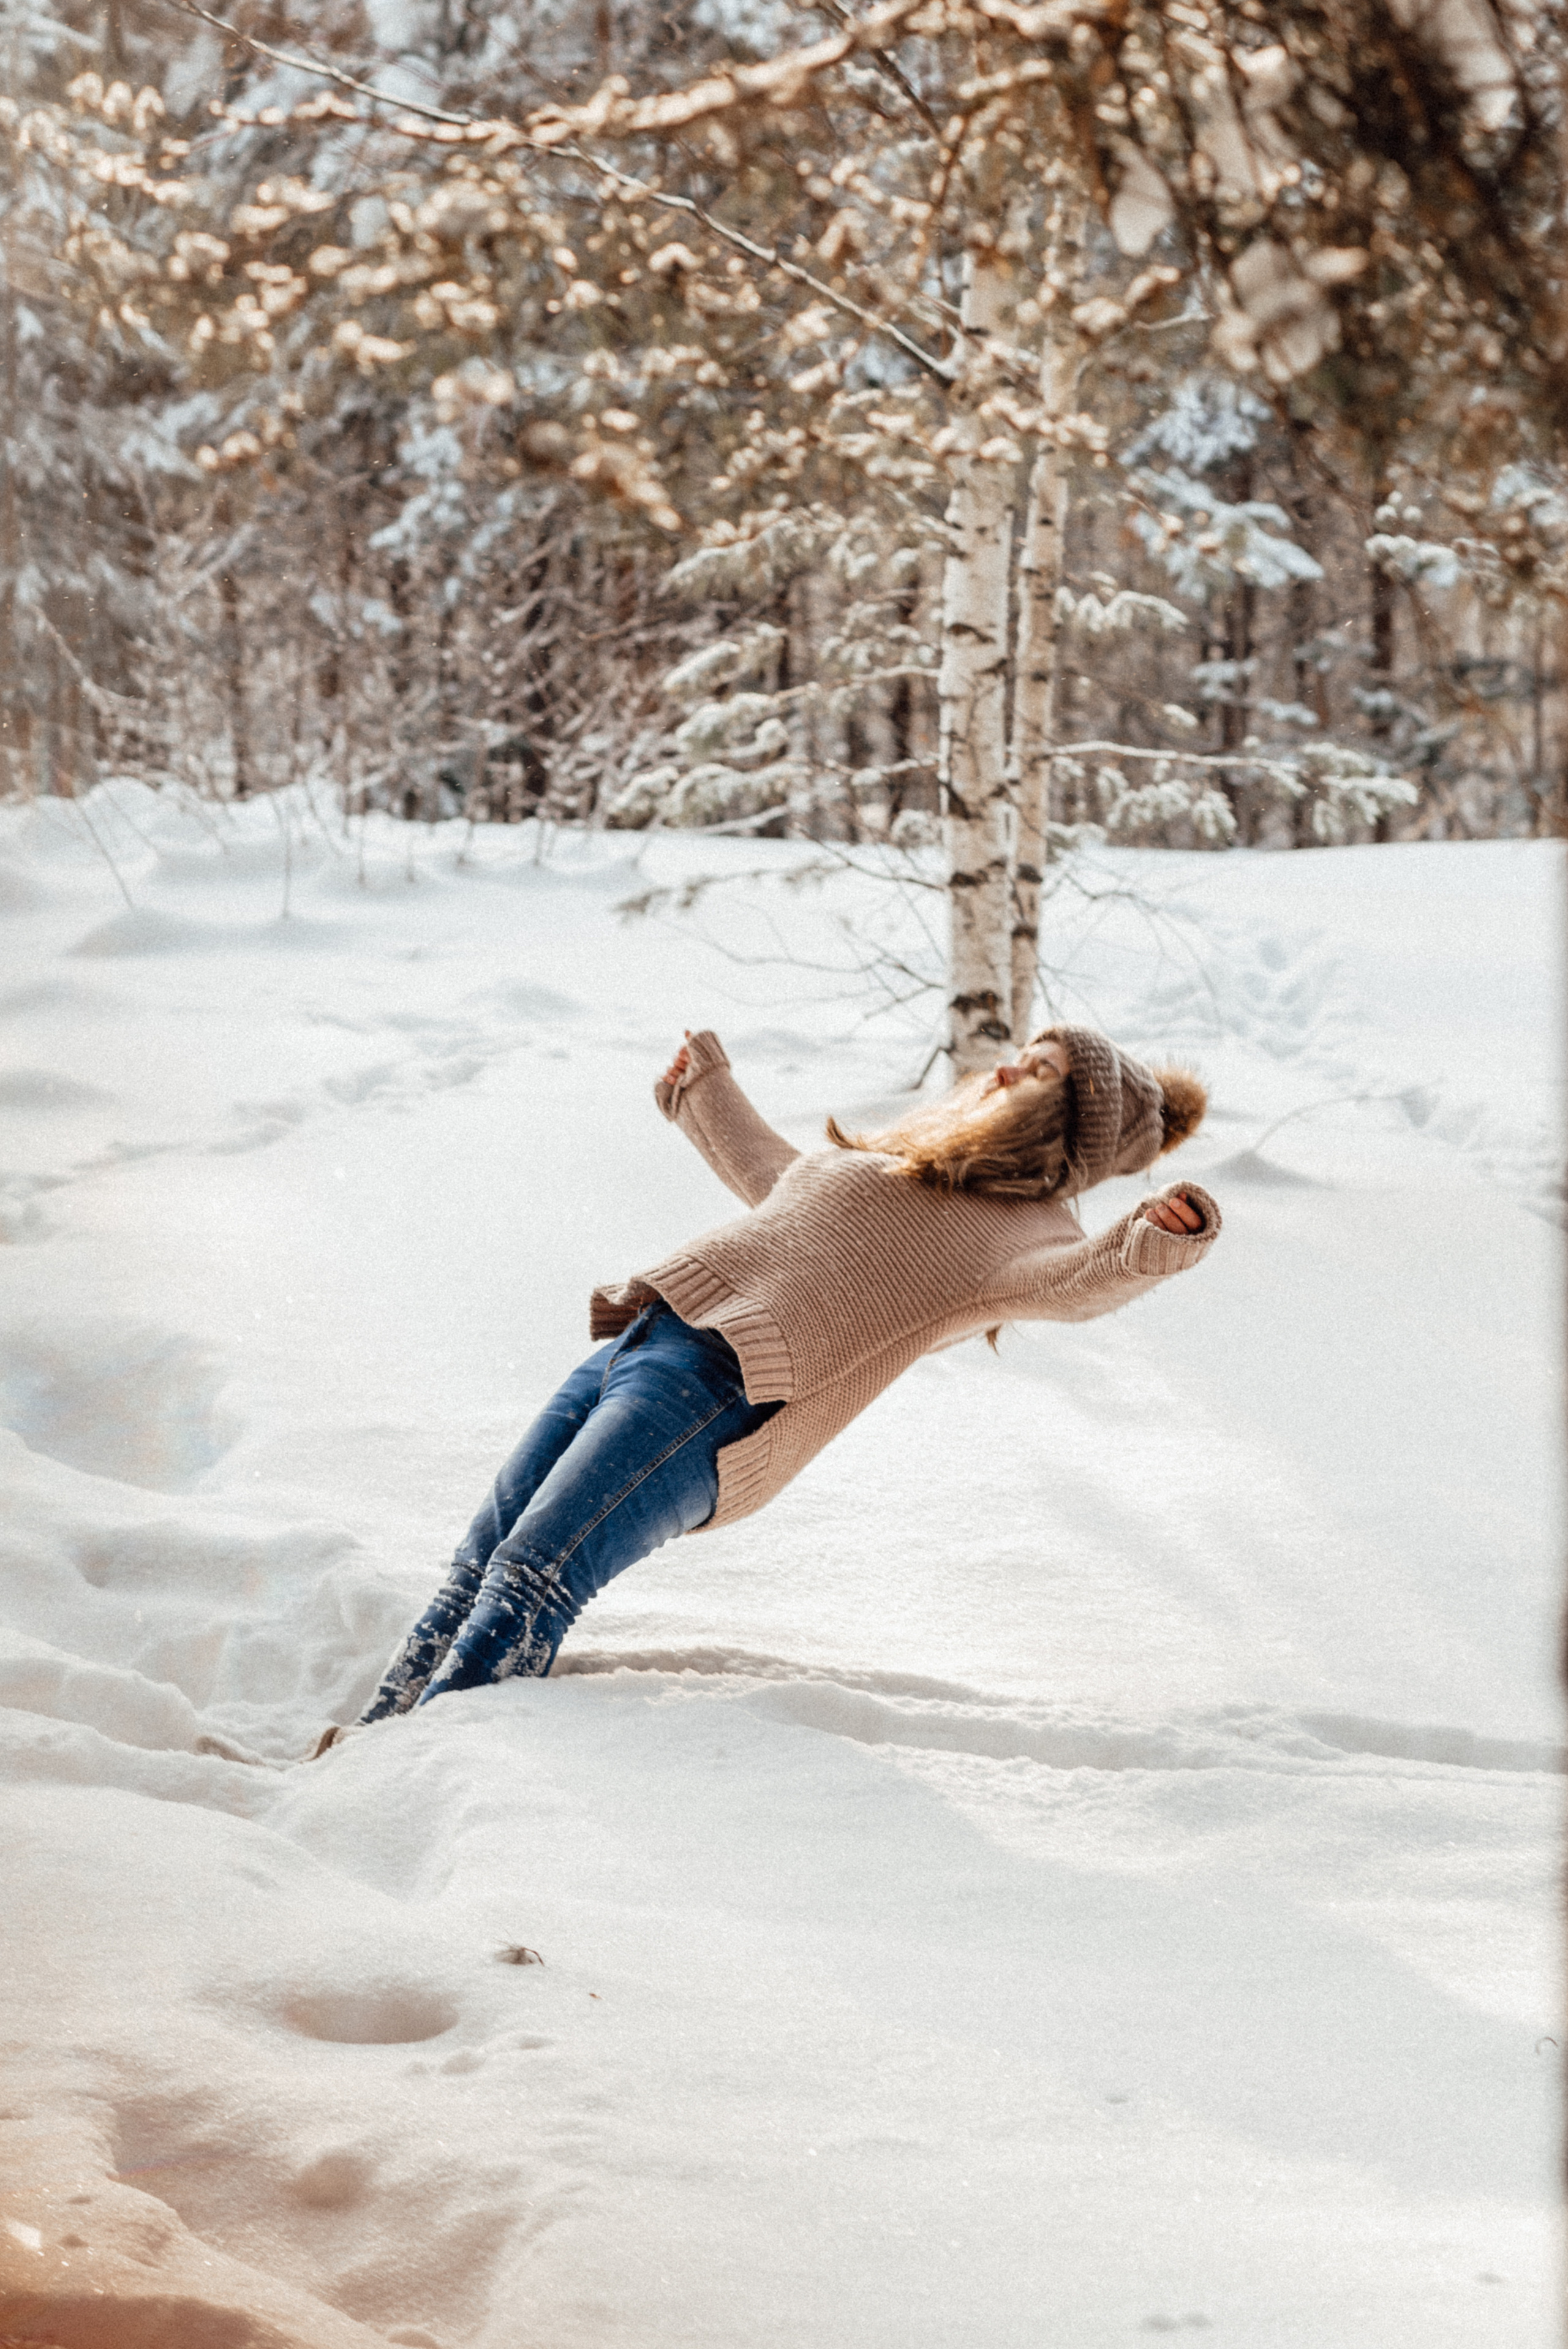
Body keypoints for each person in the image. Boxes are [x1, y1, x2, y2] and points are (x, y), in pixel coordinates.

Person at [313, 1024, 1218, 1751]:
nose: (1008, 1066)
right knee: (482, 1560)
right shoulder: (905, 1160)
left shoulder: (1028, 1232)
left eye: (1041, 1069)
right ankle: (378, 1744)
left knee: (534, 1574)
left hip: (719, 1397)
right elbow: (776, 1178)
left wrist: (1152, 1241)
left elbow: (1077, 1280)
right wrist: (703, 1088)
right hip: (643, 1339)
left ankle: (425, 1770)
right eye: (1024, 1052)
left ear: (1070, 1122)